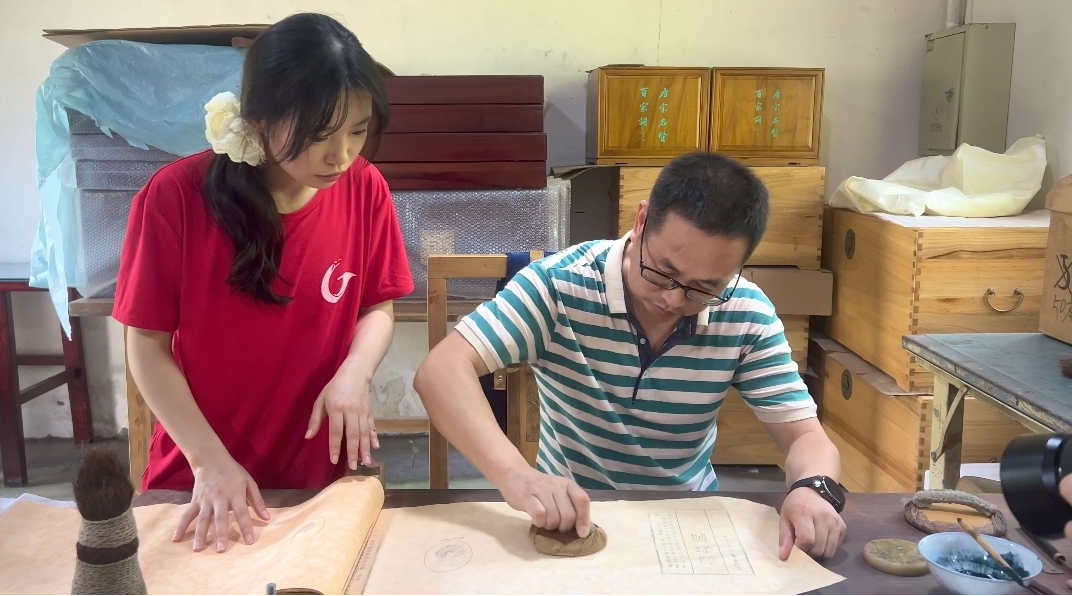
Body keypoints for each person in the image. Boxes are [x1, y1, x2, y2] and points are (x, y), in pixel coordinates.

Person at [414, 151, 847, 561]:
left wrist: (813, 490)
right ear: (641, 221)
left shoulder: (745, 313)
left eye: (704, 288)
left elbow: (805, 437)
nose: (673, 299)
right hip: (573, 518)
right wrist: (514, 473)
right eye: (662, 271)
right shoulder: (559, 286)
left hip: (687, 521)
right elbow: (441, 371)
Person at [112, 13, 413, 554]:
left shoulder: (365, 188)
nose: (341, 156)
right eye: (319, 135)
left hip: (315, 474)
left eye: (358, 130)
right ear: (257, 119)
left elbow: (376, 306)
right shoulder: (176, 197)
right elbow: (146, 345)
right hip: (200, 474)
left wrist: (356, 372)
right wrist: (209, 461)